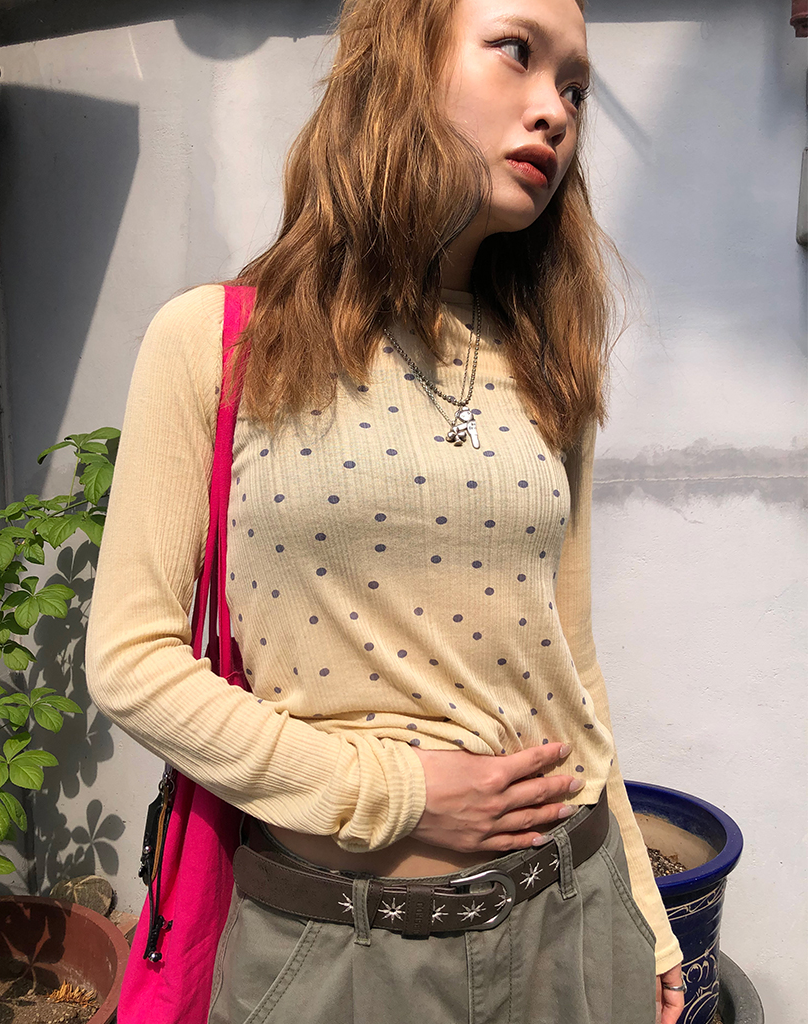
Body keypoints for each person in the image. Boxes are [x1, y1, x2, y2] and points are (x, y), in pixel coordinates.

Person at [86, 0, 687, 1020]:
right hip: (340, 950)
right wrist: (395, 794)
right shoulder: (218, 340)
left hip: (575, 922)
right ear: (399, 59)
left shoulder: (548, 363)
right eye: (517, 52)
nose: (555, 110)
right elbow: (131, 661)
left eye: (576, 88)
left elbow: (573, 669)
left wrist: (644, 911)